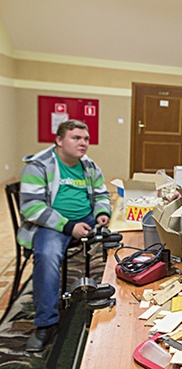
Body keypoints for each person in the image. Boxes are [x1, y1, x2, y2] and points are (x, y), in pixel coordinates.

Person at [18, 119, 111, 352]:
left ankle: (105, 300)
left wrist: (101, 213)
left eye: (86, 139)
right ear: (59, 140)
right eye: (76, 138)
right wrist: (69, 227)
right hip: (52, 225)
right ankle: (45, 324)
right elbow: (32, 208)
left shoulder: (89, 166)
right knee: (47, 256)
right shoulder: (38, 166)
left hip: (86, 221)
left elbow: (102, 194)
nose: (83, 143)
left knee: (119, 240)